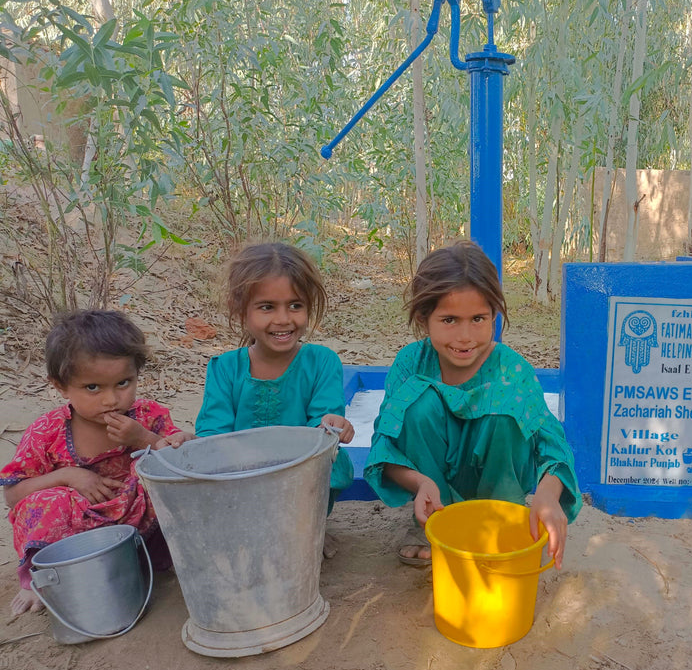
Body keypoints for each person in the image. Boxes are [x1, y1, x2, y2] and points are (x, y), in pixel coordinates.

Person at [364, 240, 581, 569]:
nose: (465, 336)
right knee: (417, 402)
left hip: (499, 497)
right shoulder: (411, 363)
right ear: (425, 319)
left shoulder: (511, 368)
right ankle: (435, 525)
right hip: (433, 492)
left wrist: (548, 495)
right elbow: (385, 447)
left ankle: (498, 525)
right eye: (449, 320)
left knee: (506, 410)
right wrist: (422, 483)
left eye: (478, 319)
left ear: (494, 314)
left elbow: (552, 444)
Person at [2, 310, 190, 616]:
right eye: (93, 388)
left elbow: (180, 461)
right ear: (61, 386)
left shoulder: (146, 416)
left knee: (164, 486)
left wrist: (145, 438)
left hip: (136, 523)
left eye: (123, 383)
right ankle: (39, 579)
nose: (111, 399)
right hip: (77, 536)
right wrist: (68, 476)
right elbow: (13, 495)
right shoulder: (47, 431)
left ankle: (149, 562)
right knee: (49, 501)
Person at [194, 242, 354, 509]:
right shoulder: (225, 368)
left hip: (302, 475)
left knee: (334, 463)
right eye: (267, 307)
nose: (283, 319)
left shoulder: (321, 362)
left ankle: (311, 532)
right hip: (240, 480)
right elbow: (212, 434)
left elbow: (322, 430)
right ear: (241, 309)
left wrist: (331, 424)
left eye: (295, 305)